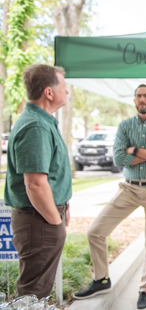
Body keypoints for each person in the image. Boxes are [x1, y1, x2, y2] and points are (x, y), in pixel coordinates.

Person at [74, 84, 146, 309]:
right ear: (134, 100)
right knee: (95, 232)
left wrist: (134, 150)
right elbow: (118, 159)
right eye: (139, 95)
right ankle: (101, 279)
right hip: (128, 188)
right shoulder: (124, 126)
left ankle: (144, 288)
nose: (142, 99)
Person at [4, 64, 71, 298]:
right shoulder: (36, 126)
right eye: (64, 87)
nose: (68, 91)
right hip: (39, 220)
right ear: (49, 92)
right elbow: (34, 184)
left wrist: (63, 207)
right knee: (33, 293)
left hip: (42, 217)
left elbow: (50, 175)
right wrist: (55, 221)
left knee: (37, 289)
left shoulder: (42, 121)